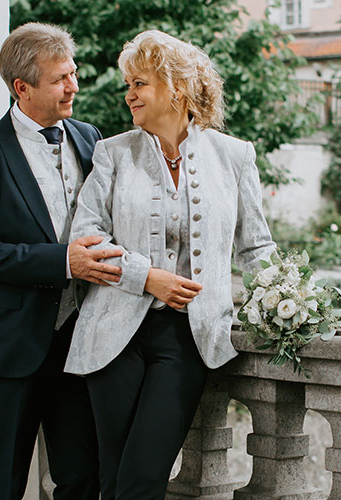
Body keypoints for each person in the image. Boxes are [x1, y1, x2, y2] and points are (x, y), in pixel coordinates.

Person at [63, 30, 277, 499]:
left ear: (174, 87)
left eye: (138, 83)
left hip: (188, 337)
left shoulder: (234, 156)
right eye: (128, 85)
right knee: (115, 478)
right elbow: (86, 237)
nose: (129, 95)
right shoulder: (113, 153)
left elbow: (256, 247)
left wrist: (290, 302)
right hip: (112, 335)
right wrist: (147, 277)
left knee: (142, 478)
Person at [0, 22, 122, 500]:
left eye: (73, 73)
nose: (74, 86)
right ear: (21, 88)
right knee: (2, 483)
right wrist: (62, 261)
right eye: (60, 79)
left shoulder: (91, 139)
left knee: (82, 479)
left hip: (81, 342)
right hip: (12, 348)